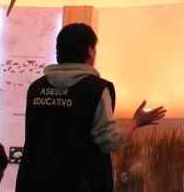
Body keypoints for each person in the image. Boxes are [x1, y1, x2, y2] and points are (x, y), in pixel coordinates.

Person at [15, 23, 166, 192]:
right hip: (82, 182)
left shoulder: (36, 88)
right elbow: (108, 141)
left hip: (34, 182)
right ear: (89, 51)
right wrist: (136, 122)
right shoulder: (96, 89)